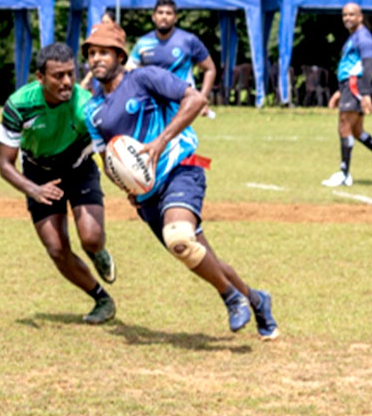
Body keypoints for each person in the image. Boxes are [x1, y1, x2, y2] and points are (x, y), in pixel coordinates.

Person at [82, 20, 278, 340]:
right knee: (194, 251)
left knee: (178, 236)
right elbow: (107, 160)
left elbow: (196, 101)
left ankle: (231, 298)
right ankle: (257, 300)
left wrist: (161, 141)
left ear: (120, 55)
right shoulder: (92, 111)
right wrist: (126, 185)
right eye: (91, 53)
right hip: (147, 196)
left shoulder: (144, 78)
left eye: (104, 52)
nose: (96, 59)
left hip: (180, 168)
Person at [0, 41, 117, 324]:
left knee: (91, 237)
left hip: (79, 168)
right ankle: (101, 299)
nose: (66, 82)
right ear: (40, 78)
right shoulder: (19, 105)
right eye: (58, 76)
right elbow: (4, 165)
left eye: (70, 74)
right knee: (56, 249)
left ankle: (97, 251)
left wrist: (130, 186)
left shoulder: (86, 105)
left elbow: (108, 153)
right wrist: (34, 189)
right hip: (39, 173)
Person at [323, 2, 372, 187]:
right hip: (349, 86)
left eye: (351, 14)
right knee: (357, 131)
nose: (347, 18)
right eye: (344, 15)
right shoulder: (353, 38)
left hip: (355, 86)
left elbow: (367, 67)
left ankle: (344, 173)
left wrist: (365, 93)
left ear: (360, 17)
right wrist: (339, 91)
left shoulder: (364, 38)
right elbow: (351, 66)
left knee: (344, 125)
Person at [127, 0, 220, 119]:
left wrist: (202, 99)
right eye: (160, 13)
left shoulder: (189, 41)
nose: (164, 16)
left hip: (181, 106)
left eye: (169, 13)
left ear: (175, 18)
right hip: (151, 107)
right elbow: (129, 71)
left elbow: (210, 69)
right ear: (153, 17)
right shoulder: (143, 43)